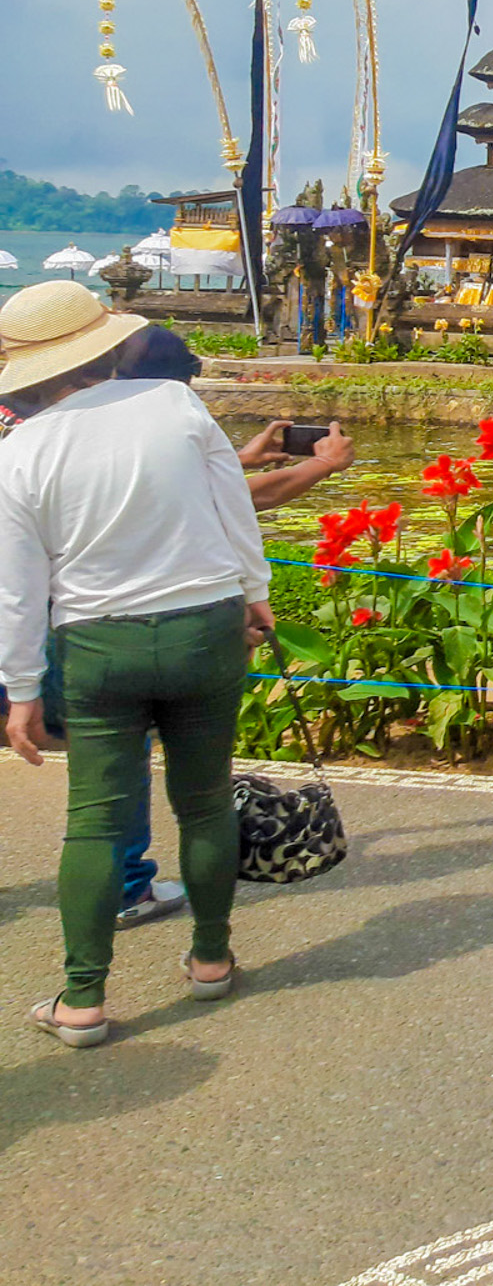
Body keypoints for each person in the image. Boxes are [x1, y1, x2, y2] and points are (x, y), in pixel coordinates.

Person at [1, 283, 272, 1047]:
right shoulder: (174, 405)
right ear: (107, 345)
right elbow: (233, 510)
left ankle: (82, 998)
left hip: (96, 643)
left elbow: (17, 589)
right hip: (203, 626)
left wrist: (22, 688)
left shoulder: (20, 449)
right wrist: (255, 595)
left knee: (93, 822)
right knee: (205, 798)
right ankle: (212, 959)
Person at [53, 326, 354, 931]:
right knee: (188, 800)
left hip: (79, 627)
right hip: (143, 631)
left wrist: (230, 458)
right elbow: (234, 504)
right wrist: (318, 470)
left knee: (103, 793)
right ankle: (192, 938)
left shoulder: (47, 424)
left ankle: (86, 981)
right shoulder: (102, 416)